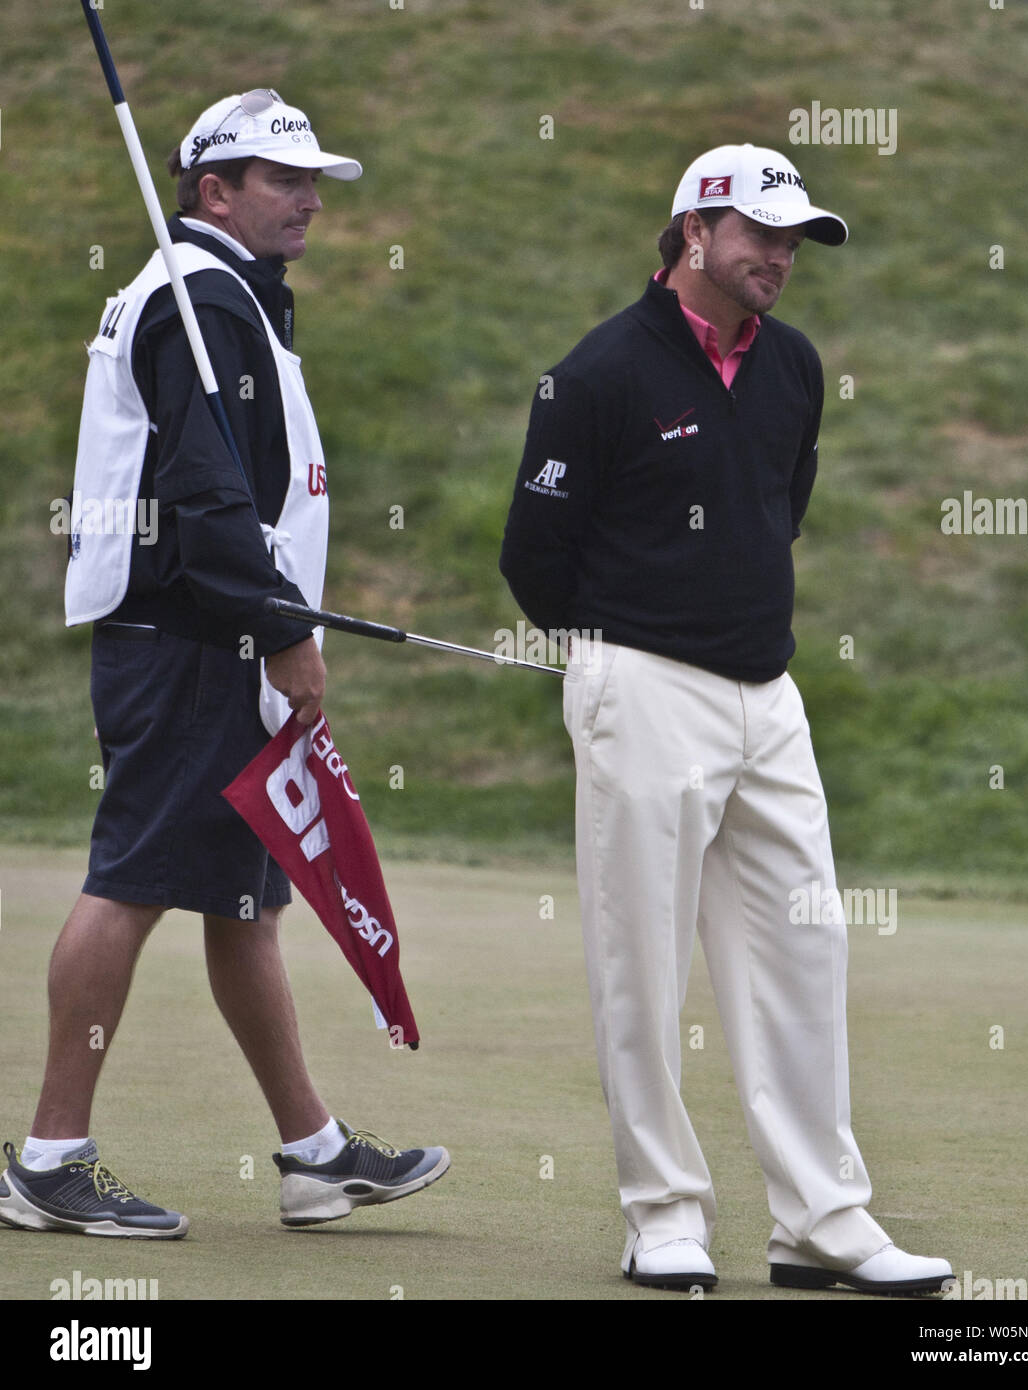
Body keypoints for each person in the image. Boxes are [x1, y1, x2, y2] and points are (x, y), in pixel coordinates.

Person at [500, 144, 951, 1295]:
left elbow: (776, 508)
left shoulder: (793, 366)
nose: (780, 257)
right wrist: (616, 650)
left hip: (769, 696)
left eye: (795, 239)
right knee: (640, 962)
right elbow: (533, 557)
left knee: (806, 951)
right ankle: (662, 1214)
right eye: (760, 235)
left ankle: (820, 1221)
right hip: (640, 685)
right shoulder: (596, 371)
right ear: (692, 232)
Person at [0, 91, 448, 1239]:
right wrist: (285, 629)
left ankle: (313, 1153)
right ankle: (49, 1158)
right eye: (280, 180)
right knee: (134, 880)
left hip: (211, 639)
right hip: (193, 644)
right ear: (212, 191)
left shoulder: (220, 296)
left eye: (312, 182)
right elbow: (205, 497)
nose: (307, 200)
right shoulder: (200, 300)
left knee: (246, 902)